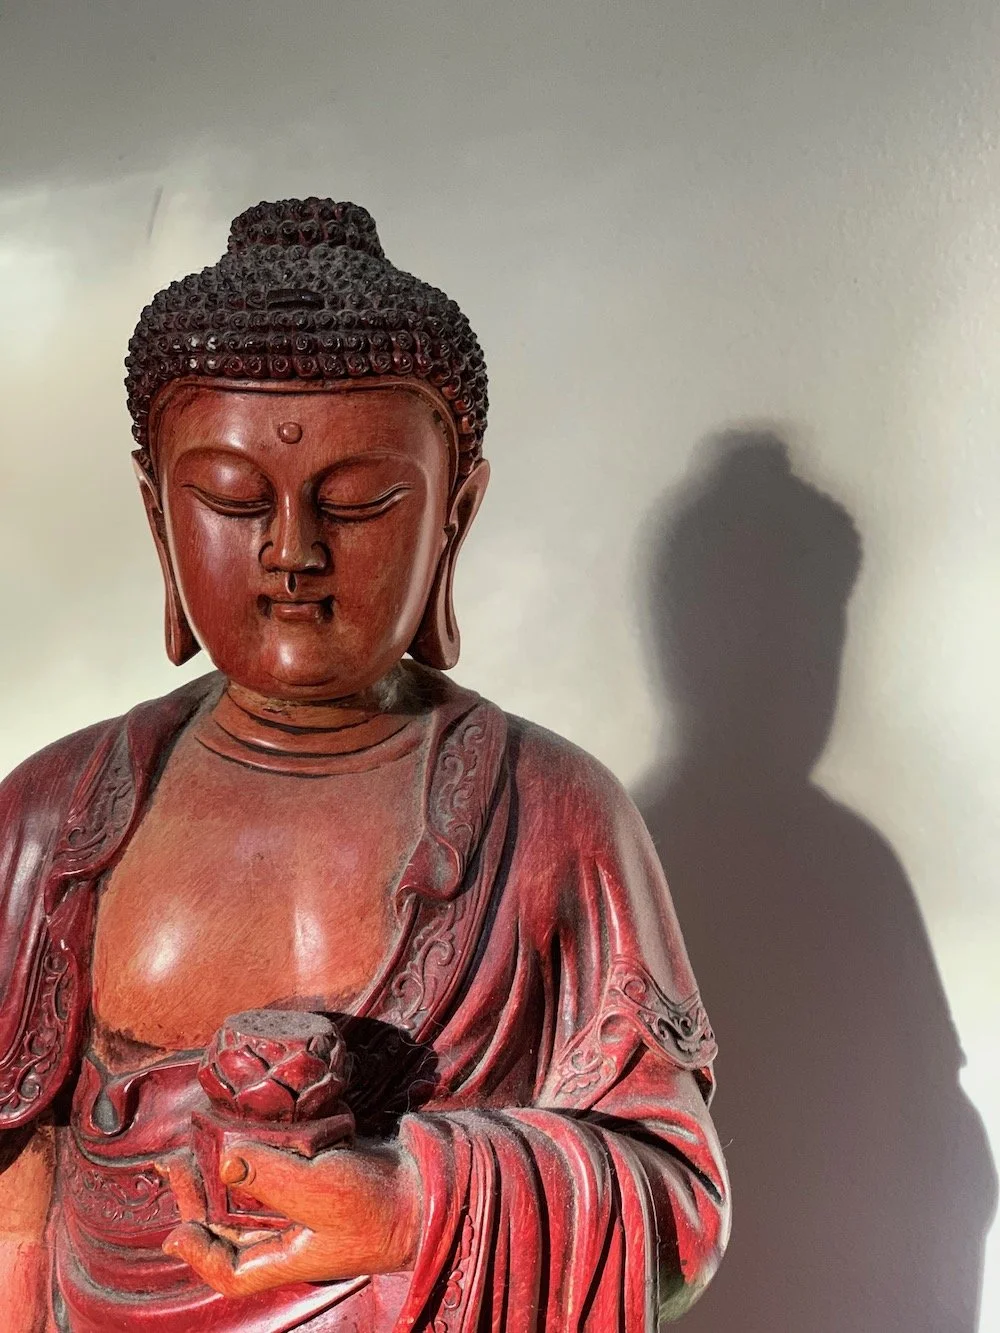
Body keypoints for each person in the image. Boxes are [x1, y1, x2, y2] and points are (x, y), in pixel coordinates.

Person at [0, 198, 729, 1332]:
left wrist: (416, 1206)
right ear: (157, 519)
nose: (293, 552)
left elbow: (679, 1213)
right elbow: (14, 1204)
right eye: (233, 500)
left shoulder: (551, 817)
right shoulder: (51, 824)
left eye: (360, 501)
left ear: (455, 518)